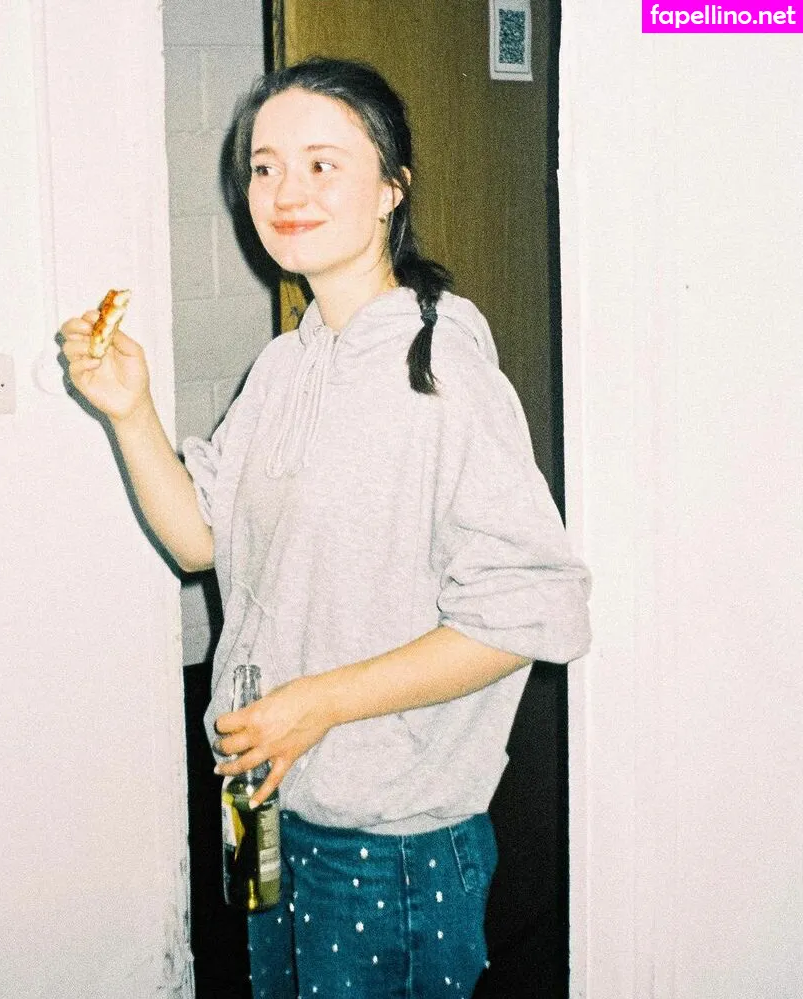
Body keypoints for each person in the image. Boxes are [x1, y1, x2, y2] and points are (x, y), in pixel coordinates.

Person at [60, 57, 591, 999]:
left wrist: (321, 703)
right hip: (268, 800)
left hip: (388, 845)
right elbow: (199, 539)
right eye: (264, 167)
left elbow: (529, 613)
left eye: (322, 165)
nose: (285, 192)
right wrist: (129, 410)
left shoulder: (443, 374)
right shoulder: (284, 367)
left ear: (391, 188)